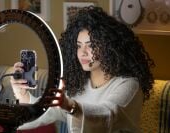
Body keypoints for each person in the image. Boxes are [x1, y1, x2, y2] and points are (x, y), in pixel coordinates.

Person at [10, 6, 154, 133]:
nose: (82, 52)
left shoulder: (129, 85)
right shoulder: (77, 85)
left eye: (90, 45)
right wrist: (22, 95)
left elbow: (107, 117)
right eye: (79, 45)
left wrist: (70, 106)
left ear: (109, 47)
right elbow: (45, 113)